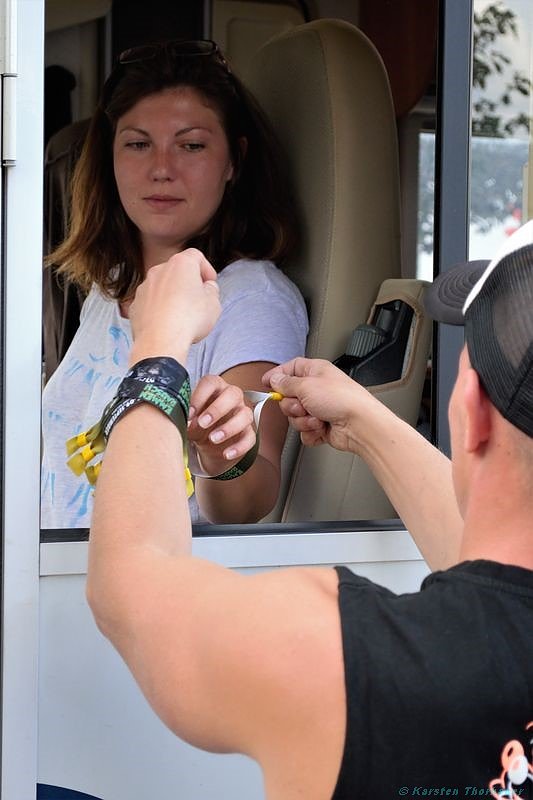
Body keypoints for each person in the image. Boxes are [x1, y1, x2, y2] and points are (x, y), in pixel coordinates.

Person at [87, 221, 533, 799]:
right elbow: (490, 571)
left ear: (471, 410)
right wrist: (363, 421)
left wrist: (157, 354)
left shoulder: (344, 659)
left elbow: (129, 586)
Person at [41, 39, 308, 529]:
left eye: (191, 145)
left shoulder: (250, 298)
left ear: (233, 161)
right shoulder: (109, 286)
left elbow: (249, 499)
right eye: (138, 144)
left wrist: (221, 455)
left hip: (150, 572)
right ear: (110, 157)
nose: (161, 169)